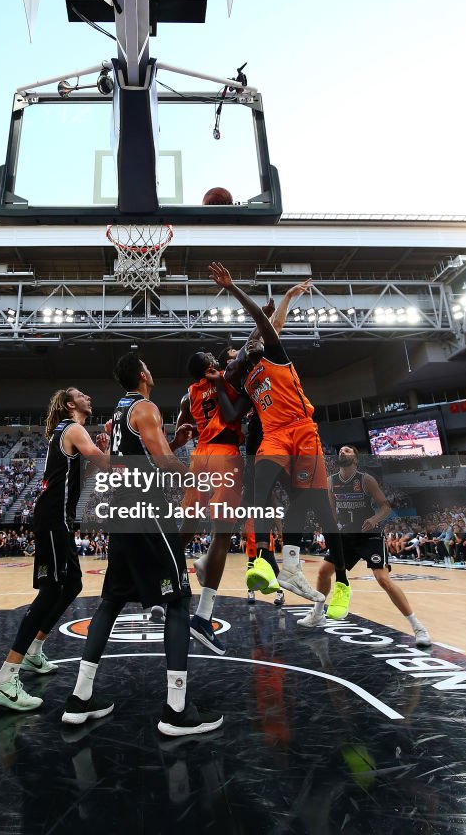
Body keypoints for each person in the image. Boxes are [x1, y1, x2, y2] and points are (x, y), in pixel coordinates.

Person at [62, 351, 222, 737]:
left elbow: (140, 453)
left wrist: (172, 440)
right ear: (143, 374)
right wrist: (198, 479)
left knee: (112, 601)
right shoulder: (146, 406)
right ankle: (176, 710)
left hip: (121, 508)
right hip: (145, 509)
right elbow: (164, 463)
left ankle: (80, 699)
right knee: (178, 601)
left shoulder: (121, 410)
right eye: (149, 366)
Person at [209, 264, 347, 607]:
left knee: (310, 502)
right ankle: (262, 562)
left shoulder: (272, 354)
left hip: (299, 430)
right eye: (245, 347)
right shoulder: (241, 378)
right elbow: (232, 385)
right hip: (267, 434)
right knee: (259, 493)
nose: (253, 341)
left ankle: (308, 571)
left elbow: (269, 326)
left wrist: (279, 297)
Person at [0, 387, 109, 711]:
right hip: (54, 518)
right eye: (83, 395)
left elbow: (90, 468)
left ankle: (34, 650)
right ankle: (4, 678)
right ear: (70, 405)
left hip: (60, 519)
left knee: (73, 585)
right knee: (52, 590)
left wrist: (103, 448)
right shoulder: (73, 428)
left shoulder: (66, 432)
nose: (89, 398)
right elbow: (104, 464)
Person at [297, 445, 432, 646]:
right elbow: (332, 513)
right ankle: (317, 613)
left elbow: (386, 507)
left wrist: (374, 520)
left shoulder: (365, 480)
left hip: (370, 535)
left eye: (348, 451)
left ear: (356, 459)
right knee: (323, 571)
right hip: (346, 536)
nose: (343, 452)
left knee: (382, 579)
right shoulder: (331, 482)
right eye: (341, 450)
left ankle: (418, 627)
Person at [173, 349, 244, 654]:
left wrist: (188, 428)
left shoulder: (187, 396)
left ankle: (163, 588)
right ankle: (203, 617)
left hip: (198, 455)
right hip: (223, 454)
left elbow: (181, 426)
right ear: (211, 366)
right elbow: (249, 349)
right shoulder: (224, 378)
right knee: (224, 533)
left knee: (187, 528)